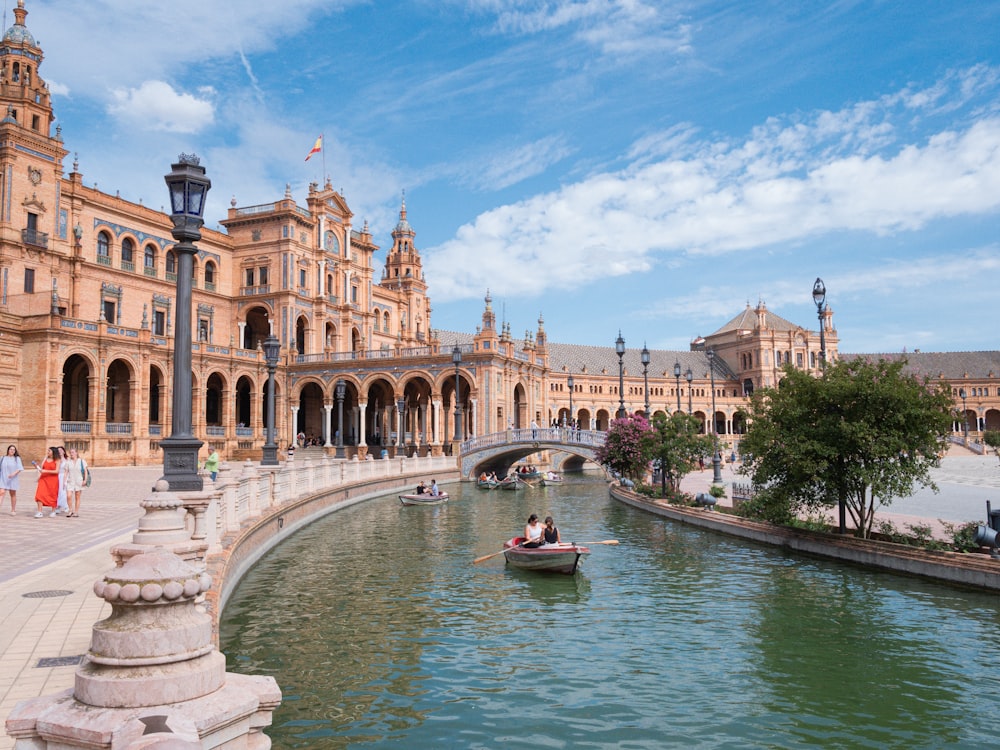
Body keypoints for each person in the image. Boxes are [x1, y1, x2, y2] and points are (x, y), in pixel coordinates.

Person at [32, 447, 60, 518]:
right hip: (43, 479)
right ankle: (40, 512)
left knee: (53, 495)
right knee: (39, 494)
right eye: (48, 450)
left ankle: (53, 511)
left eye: (49, 451)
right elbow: (42, 469)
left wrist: (46, 471)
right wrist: (36, 466)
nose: (48, 452)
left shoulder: (57, 460)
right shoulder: (45, 458)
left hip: (53, 480)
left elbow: (57, 471)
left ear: (53, 452)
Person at [0, 444, 24, 515]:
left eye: (14, 450)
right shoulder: (2, 458)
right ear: (8, 450)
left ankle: (13, 510)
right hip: (3, 478)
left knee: (12, 494)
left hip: (13, 479)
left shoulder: (17, 458)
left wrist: (13, 474)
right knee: (1, 493)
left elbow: (20, 468)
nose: (12, 451)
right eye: (11, 449)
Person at [64, 447, 87, 517]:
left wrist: (85, 480)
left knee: (77, 496)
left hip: (79, 481)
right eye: (70, 452)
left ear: (76, 453)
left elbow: (85, 472)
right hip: (70, 481)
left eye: (73, 452)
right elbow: (66, 472)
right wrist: (64, 481)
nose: (71, 454)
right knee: (68, 496)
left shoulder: (82, 461)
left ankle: (76, 511)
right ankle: (70, 510)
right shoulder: (68, 462)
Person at [55, 446, 70, 515]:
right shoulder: (56, 459)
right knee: (57, 492)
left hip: (64, 476)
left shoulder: (67, 460)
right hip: (57, 476)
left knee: (63, 491)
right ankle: (58, 506)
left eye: (61, 450)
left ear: (64, 451)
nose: (60, 451)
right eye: (58, 450)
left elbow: (69, 469)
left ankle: (66, 506)